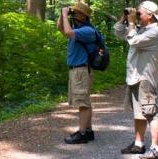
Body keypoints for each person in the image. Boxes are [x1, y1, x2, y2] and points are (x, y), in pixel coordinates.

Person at [114, 1, 158, 158]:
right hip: (135, 78)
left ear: (150, 15)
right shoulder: (140, 30)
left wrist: (131, 23)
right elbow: (118, 32)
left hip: (145, 79)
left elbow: (133, 40)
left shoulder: (155, 33)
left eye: (139, 13)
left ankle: (156, 149)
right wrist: (125, 18)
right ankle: (138, 144)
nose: (136, 16)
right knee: (138, 113)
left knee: (151, 113)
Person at [57, 2, 98, 144]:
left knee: (82, 102)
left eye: (76, 12)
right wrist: (62, 16)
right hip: (77, 70)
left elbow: (68, 32)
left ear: (84, 16)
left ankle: (82, 134)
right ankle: (88, 131)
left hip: (81, 70)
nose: (74, 13)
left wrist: (64, 14)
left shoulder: (87, 31)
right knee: (85, 101)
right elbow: (61, 29)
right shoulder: (78, 29)